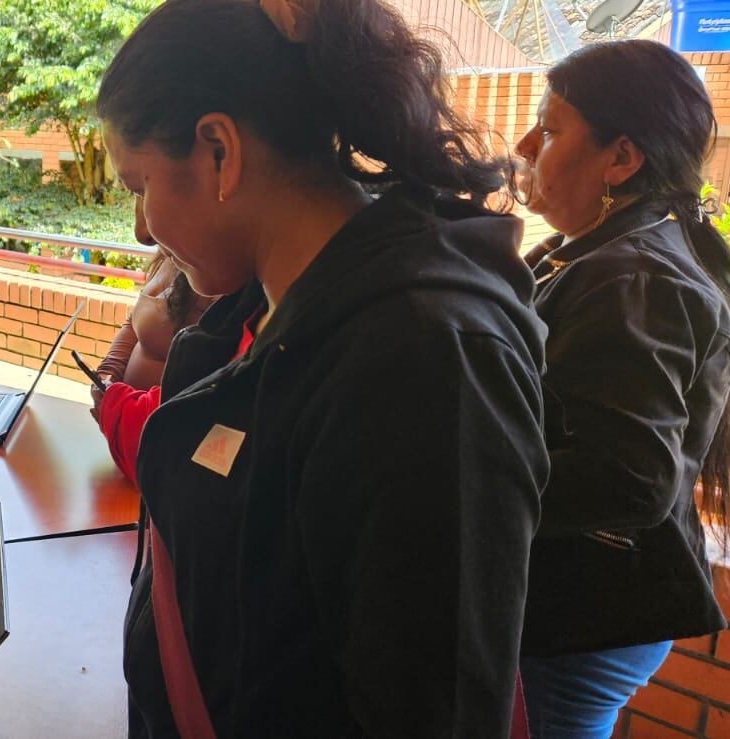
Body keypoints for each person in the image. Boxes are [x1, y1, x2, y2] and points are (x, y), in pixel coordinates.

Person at [97, 0, 549, 735]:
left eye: (138, 184)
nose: (142, 227)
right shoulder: (266, 316)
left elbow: (436, 708)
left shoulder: (422, 356)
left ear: (219, 150)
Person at [512, 39, 730, 737]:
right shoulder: (604, 253)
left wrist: (466, 485)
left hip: (584, 614)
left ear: (621, 157)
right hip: (587, 605)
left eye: (550, 130)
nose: (525, 146)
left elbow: (629, 478)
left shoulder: (633, 276)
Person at [92, 199, 219, 484]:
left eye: (146, 190)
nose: (141, 232)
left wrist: (118, 409)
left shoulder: (215, 277)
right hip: (130, 450)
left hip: (160, 461)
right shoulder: (169, 258)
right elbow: (134, 322)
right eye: (136, 195)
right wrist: (109, 372)